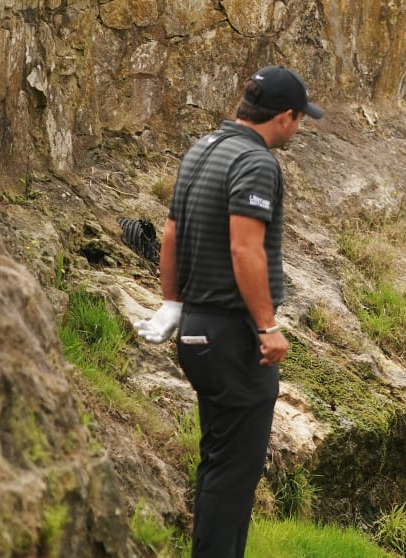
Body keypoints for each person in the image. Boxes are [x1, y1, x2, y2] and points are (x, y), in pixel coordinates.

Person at [133, 65, 322, 557]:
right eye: (300, 120)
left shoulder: (203, 149)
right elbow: (246, 250)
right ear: (284, 116)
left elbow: (171, 233)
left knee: (220, 463)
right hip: (233, 336)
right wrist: (267, 327)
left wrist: (173, 303)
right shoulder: (257, 162)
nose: (298, 129)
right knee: (235, 474)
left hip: (198, 329)